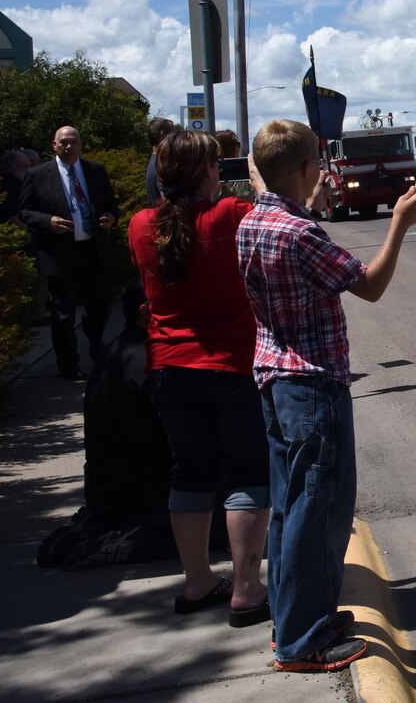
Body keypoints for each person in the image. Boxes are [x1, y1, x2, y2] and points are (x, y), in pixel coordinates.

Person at [237, 119, 416, 673]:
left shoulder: (254, 221)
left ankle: (296, 617)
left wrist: (298, 192)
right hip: (311, 386)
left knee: (288, 506)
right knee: (315, 511)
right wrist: (399, 223)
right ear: (301, 170)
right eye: (316, 162)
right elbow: (370, 284)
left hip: (273, 378)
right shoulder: (299, 234)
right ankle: (301, 640)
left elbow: (267, 186)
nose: (321, 170)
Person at [128, 130, 271, 628]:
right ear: (207, 171)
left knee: (189, 472)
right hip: (229, 365)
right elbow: (272, 235)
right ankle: (248, 588)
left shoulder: (141, 224)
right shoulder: (231, 214)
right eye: (216, 163)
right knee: (249, 472)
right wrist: (256, 179)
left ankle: (197, 581)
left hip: (168, 366)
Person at [36, 279, 178, 570]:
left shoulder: (117, 349)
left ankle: (97, 528)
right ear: (146, 311)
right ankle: (130, 541)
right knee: (218, 520)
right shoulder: (152, 360)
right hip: (144, 499)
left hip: (108, 492)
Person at [18, 126, 119, 381]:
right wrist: (47, 220)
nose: (68, 146)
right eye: (63, 142)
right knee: (63, 314)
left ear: (80, 145)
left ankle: (97, 349)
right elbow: (25, 211)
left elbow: (110, 204)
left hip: (92, 250)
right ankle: (68, 363)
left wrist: (111, 217)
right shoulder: (38, 175)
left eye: (73, 142)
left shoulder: (95, 171)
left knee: (99, 308)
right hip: (59, 253)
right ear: (54, 145)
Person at [214, 129, 255, 203]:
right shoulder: (239, 173)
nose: (239, 148)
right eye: (238, 144)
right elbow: (245, 202)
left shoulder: (210, 171)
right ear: (229, 147)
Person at [0, 150, 29, 229]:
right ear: (13, 166)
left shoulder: (1, 180)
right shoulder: (11, 186)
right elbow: (9, 214)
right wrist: (25, 231)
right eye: (24, 166)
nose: (28, 169)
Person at [146, 118, 175, 208]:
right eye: (173, 134)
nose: (176, 138)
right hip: (166, 220)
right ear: (163, 135)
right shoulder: (162, 164)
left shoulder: (154, 160)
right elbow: (167, 200)